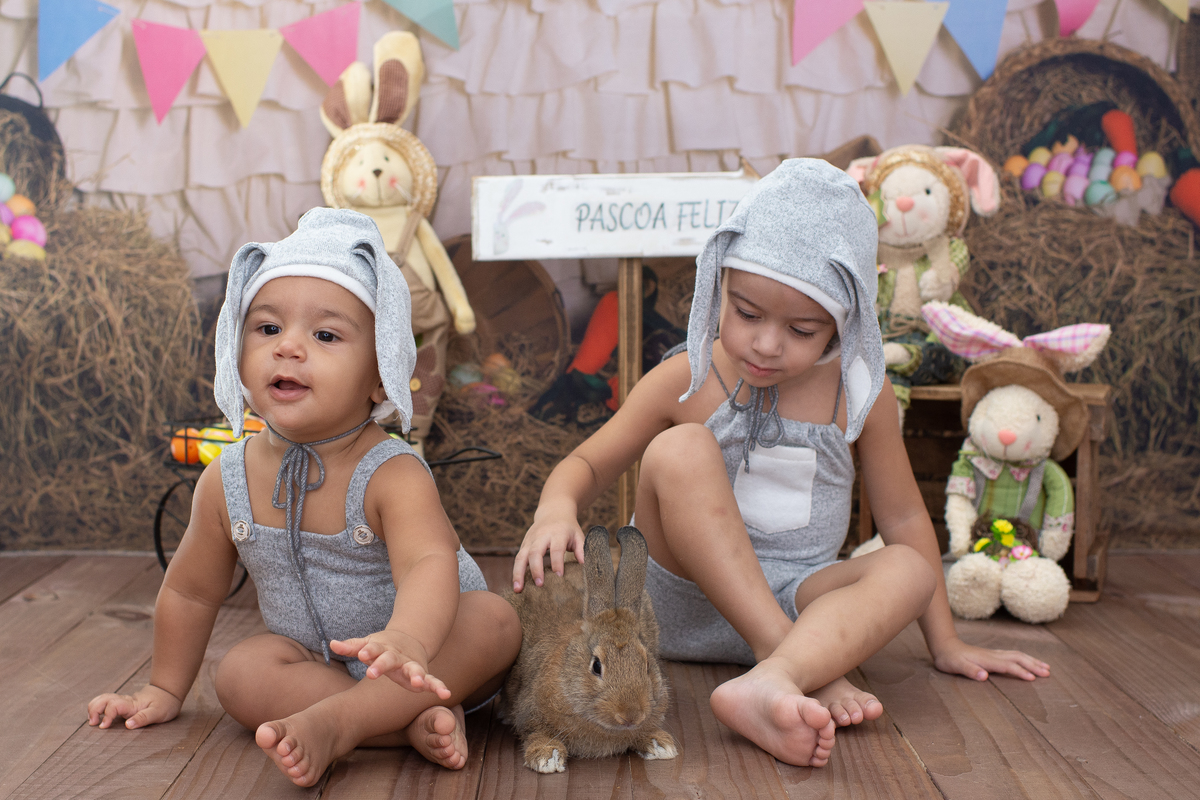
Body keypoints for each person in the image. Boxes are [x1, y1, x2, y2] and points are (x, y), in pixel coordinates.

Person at [511, 160, 1049, 768]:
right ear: (719, 289)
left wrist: (945, 642)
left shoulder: (858, 399)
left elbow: (901, 520)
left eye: (800, 328)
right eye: (745, 314)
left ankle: (776, 675)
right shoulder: (689, 378)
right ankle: (792, 662)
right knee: (679, 447)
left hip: (799, 597)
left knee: (909, 568)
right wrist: (556, 508)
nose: (766, 344)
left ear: (844, 326)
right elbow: (588, 460)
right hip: (669, 603)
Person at [87, 208, 521, 787]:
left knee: (493, 620)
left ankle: (347, 724)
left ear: (379, 375)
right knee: (241, 671)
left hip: (431, 658)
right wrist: (163, 687)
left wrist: (407, 640)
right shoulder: (227, 479)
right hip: (318, 667)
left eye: (325, 335)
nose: (288, 346)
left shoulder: (392, 472)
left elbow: (428, 564)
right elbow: (191, 591)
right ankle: (388, 724)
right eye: (267, 329)